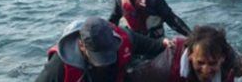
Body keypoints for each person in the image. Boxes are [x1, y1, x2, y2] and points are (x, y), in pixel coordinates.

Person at [36, 17, 173, 82]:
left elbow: (149, 45)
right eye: (99, 57)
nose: (104, 64)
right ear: (82, 46)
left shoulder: (125, 38)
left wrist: (163, 43)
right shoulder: (59, 66)